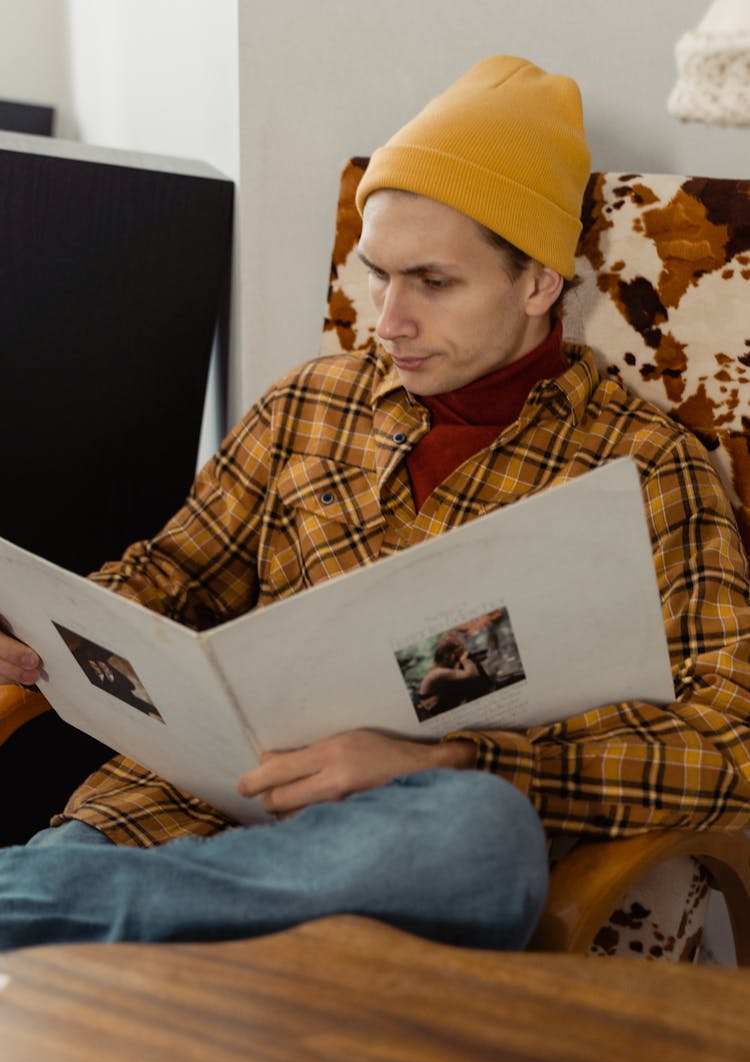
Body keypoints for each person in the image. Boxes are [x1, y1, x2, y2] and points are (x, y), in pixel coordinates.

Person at [0, 56, 749, 953]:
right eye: (377, 276)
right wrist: (36, 627)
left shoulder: (643, 468)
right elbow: (165, 578)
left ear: (539, 282)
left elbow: (731, 740)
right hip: (172, 815)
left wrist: (450, 760)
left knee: (479, 836)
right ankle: (123, 912)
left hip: (396, 852)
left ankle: (54, 906)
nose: (388, 319)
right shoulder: (307, 406)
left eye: (432, 282)